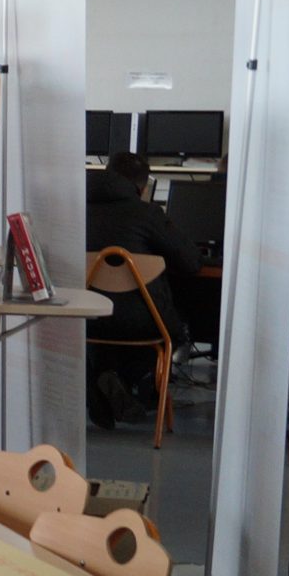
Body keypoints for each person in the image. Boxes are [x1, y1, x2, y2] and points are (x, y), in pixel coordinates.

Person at [83, 149, 199, 428]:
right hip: (143, 322)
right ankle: (126, 382)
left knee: (109, 326)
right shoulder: (147, 214)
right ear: (143, 186)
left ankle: (105, 379)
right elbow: (191, 262)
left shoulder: (77, 209)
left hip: (86, 318)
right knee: (172, 330)